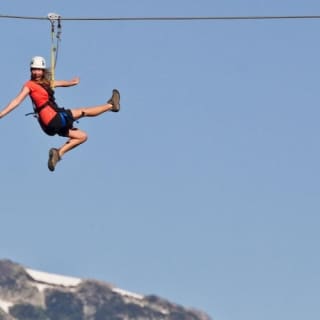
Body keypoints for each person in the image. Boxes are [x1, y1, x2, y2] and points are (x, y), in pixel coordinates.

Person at [0, 56, 120, 172]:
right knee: (84, 111)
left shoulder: (46, 83)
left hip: (50, 125)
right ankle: (111, 105)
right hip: (52, 119)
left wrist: (71, 83)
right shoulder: (29, 85)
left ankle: (58, 153)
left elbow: (58, 83)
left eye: (38, 70)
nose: (36, 72)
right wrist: (2, 113)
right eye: (34, 70)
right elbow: (17, 100)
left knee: (82, 136)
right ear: (31, 70)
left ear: (42, 70)